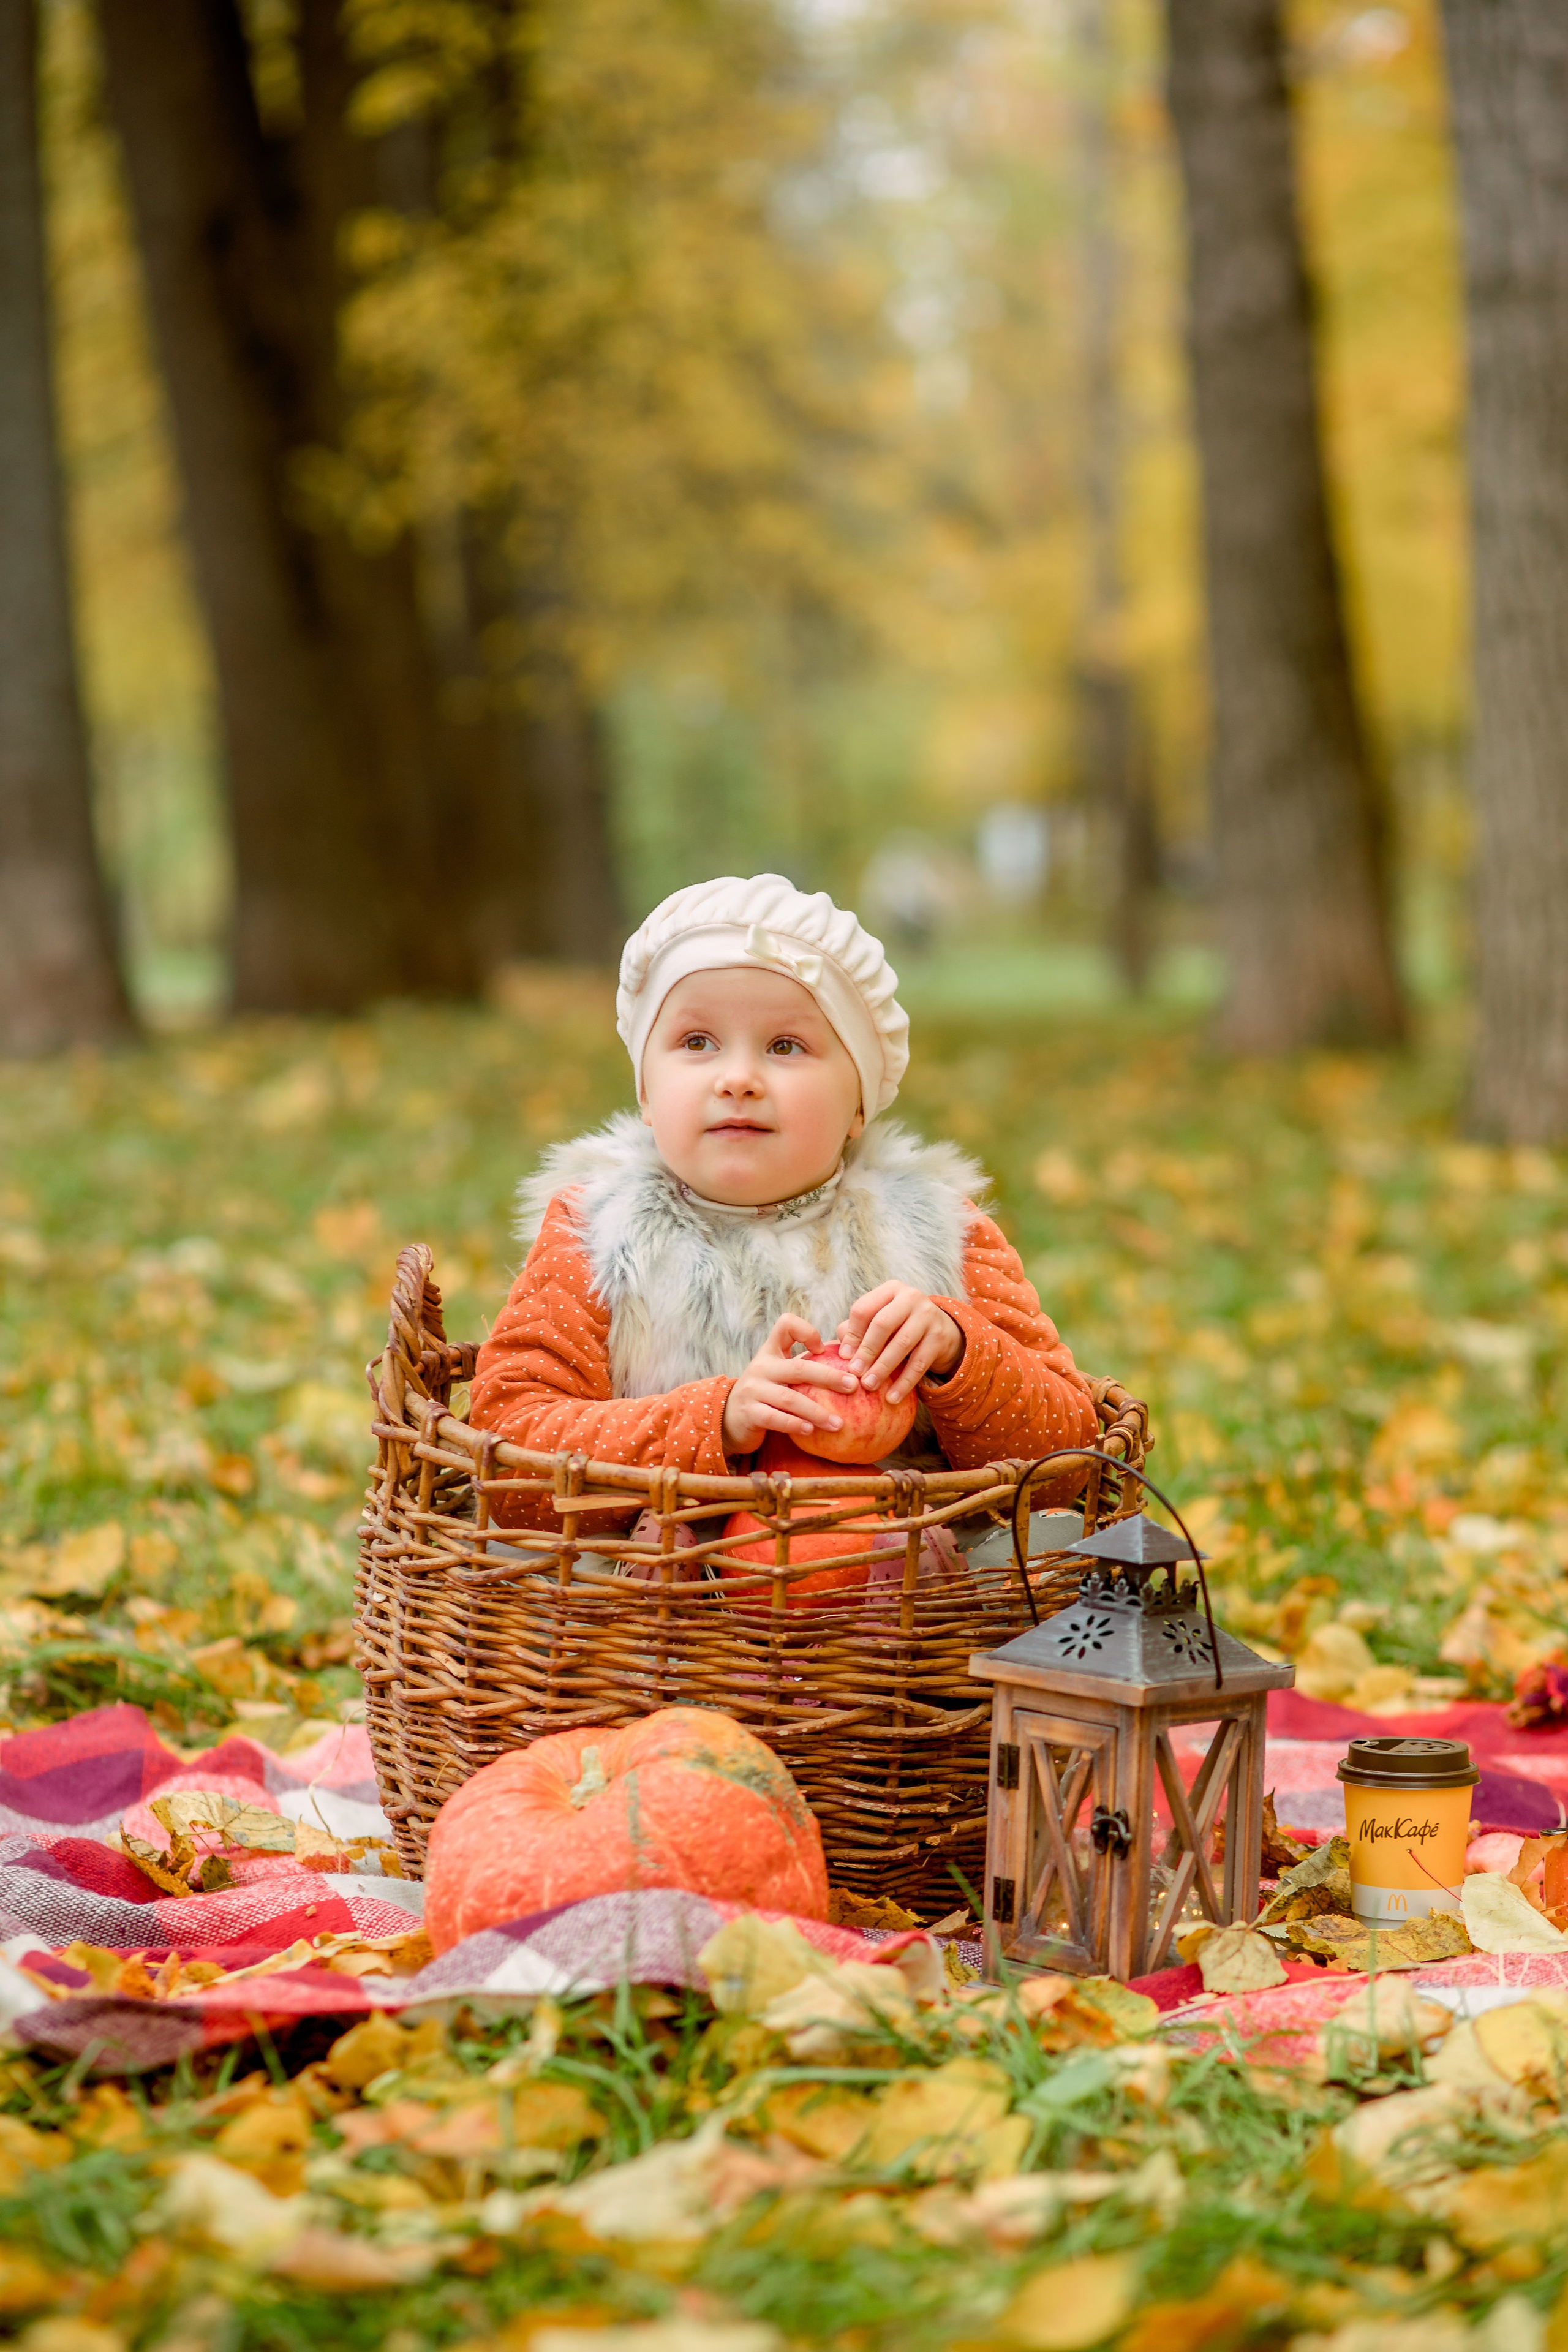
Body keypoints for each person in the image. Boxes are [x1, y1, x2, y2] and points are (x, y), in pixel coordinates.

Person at [470, 875, 1098, 1526]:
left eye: (785, 1046)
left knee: (1047, 1545)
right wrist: (715, 1421)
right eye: (697, 1042)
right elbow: (509, 1460)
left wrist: (959, 1353)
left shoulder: (936, 1235)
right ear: (647, 1094)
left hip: (904, 1572)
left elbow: (1068, 1463)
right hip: (668, 1575)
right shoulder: (597, 1237)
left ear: (859, 1106)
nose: (738, 1079)